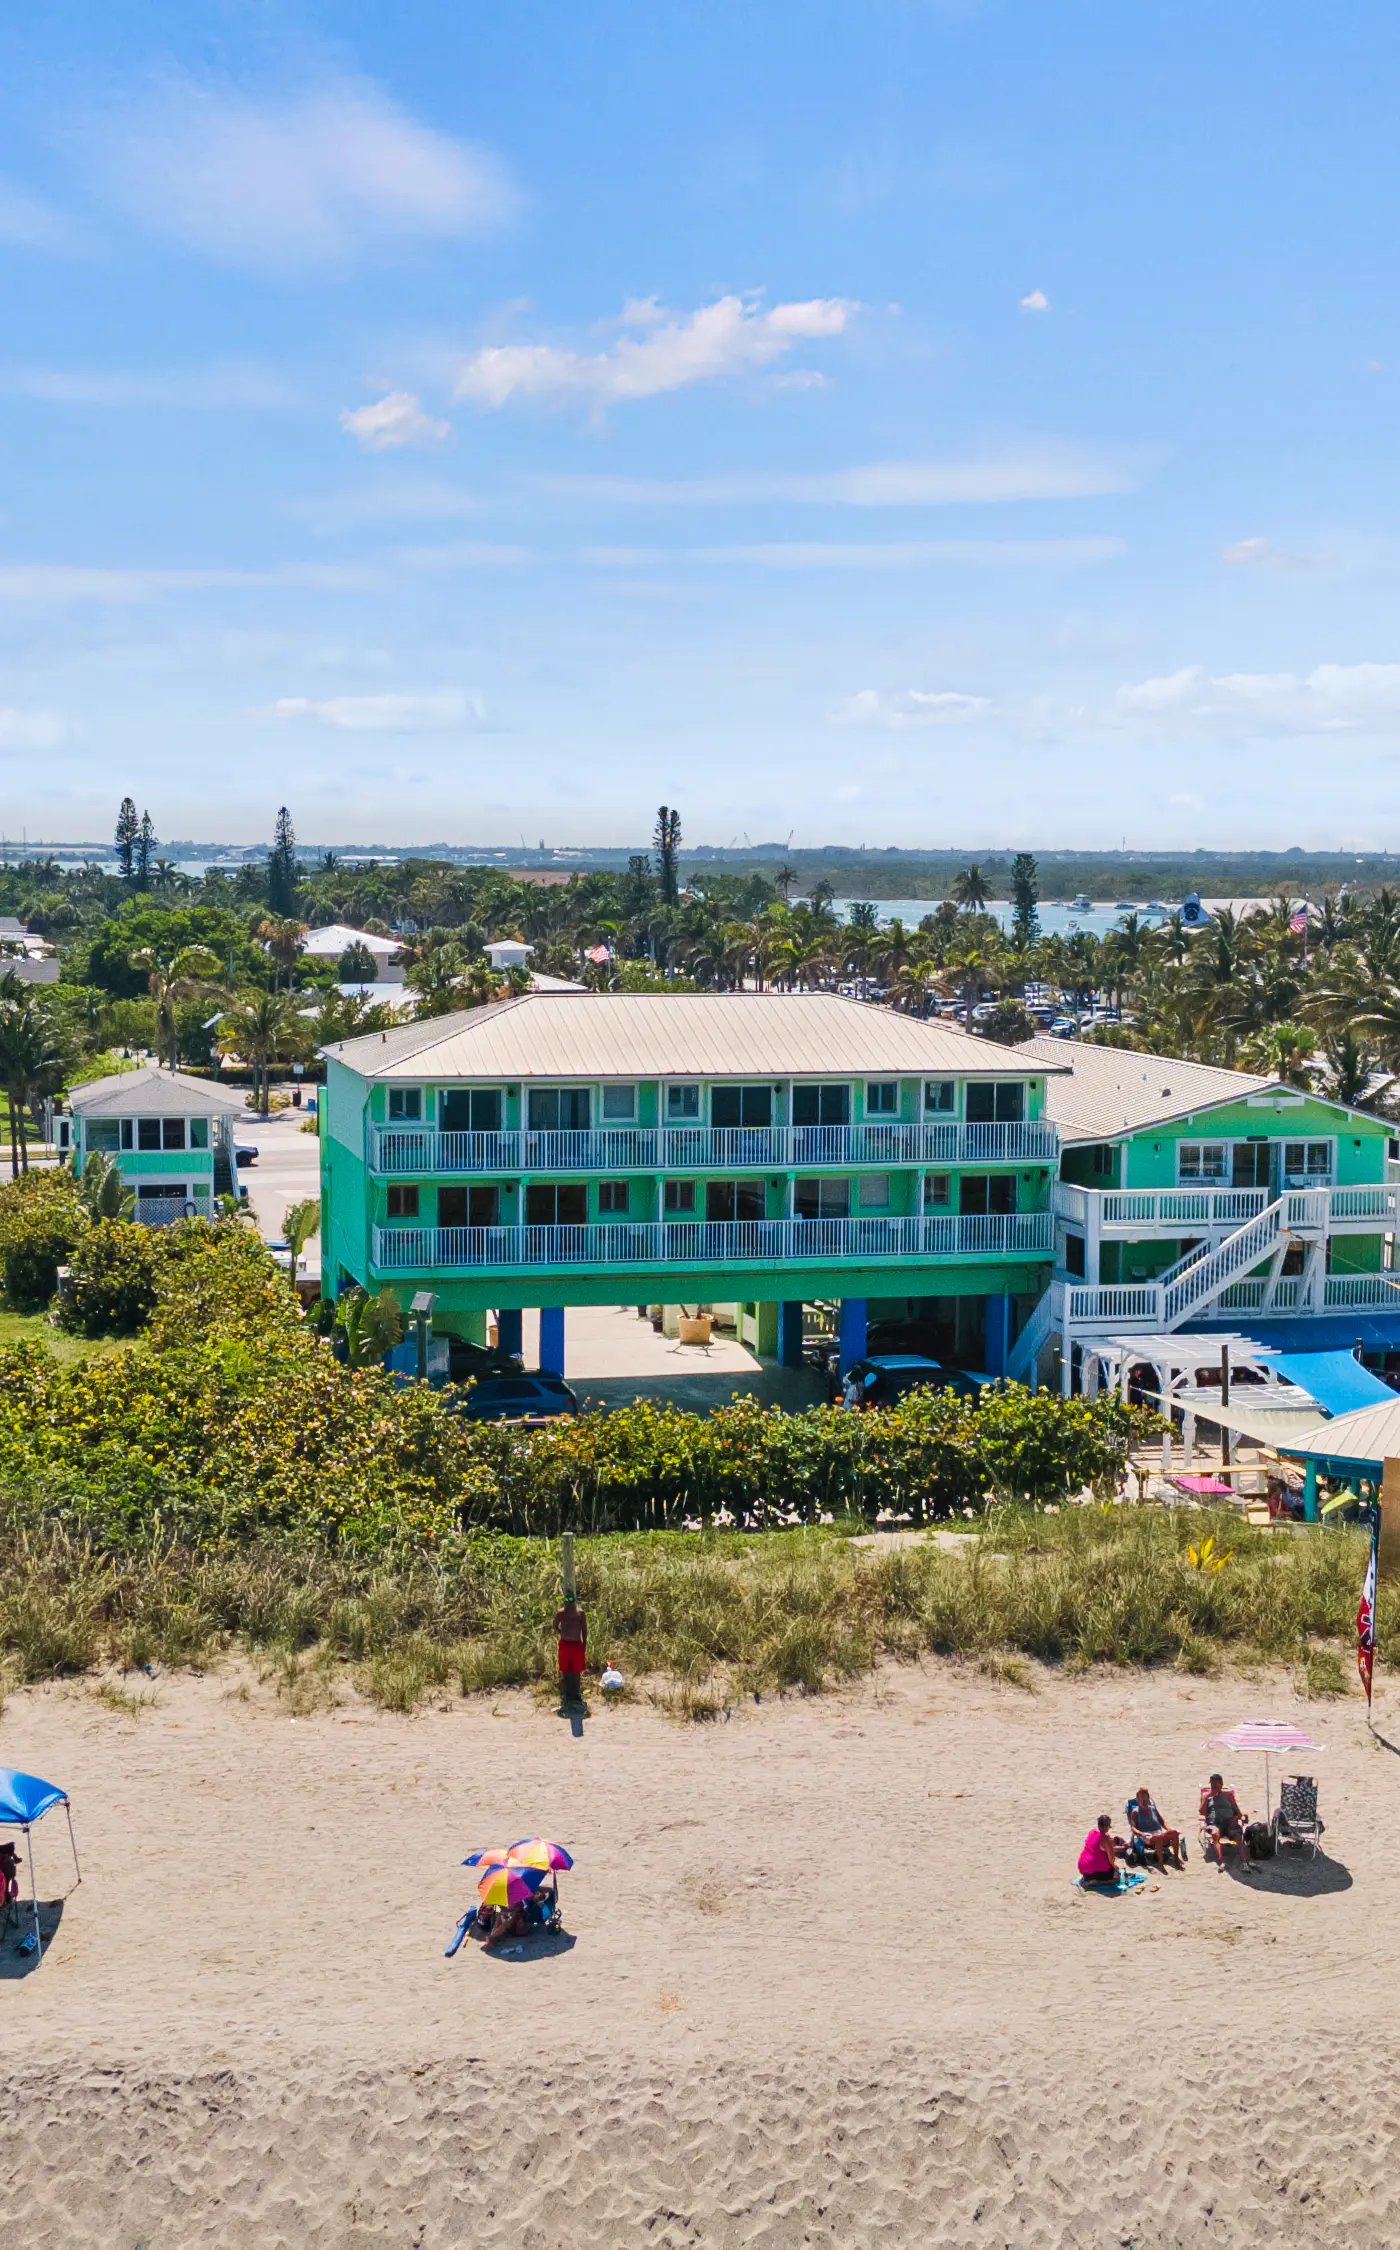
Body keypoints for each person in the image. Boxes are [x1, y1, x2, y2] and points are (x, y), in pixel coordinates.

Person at [1200, 1772, 1253, 1873]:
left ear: (1221, 1784)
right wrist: (1206, 1799)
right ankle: (1221, 1861)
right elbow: (1202, 1812)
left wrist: (1235, 1819)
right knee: (1215, 1834)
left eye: (1215, 1784)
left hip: (1230, 1824)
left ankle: (1244, 1863)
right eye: (1212, 1784)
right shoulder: (1206, 1796)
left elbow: (1238, 1813)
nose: (1213, 1786)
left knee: (1238, 1837)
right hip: (1214, 1824)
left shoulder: (1228, 1796)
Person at [1129, 1787, 1184, 1869]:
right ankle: (1160, 1863)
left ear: (1148, 1798)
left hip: (1159, 1834)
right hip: (1147, 1837)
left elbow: (1162, 1821)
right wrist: (1142, 1834)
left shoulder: (1153, 1809)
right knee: (1158, 1837)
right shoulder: (1135, 1812)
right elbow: (1133, 1828)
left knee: (1174, 1833)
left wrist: (1169, 1829)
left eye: (1145, 1798)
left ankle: (1176, 1858)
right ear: (1137, 1799)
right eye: (1141, 1798)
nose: (1143, 1800)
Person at [1077, 1812, 1127, 1888]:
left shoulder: (1092, 1832)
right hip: (1093, 1871)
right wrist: (1115, 1867)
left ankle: (1088, 1878)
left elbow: (1094, 1845)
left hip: (1083, 1867)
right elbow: (1112, 1858)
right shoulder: (1106, 1837)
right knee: (1117, 1877)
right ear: (1108, 1826)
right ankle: (1095, 1882)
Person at [555, 1594, 587, 1697]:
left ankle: (576, 1691)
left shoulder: (580, 1613)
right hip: (565, 1644)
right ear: (564, 1601)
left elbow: (584, 1629)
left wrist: (585, 1643)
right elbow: (554, 1625)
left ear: (575, 1600)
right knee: (565, 1669)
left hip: (576, 1644)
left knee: (576, 1669)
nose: (569, 1602)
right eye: (567, 1599)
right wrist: (561, 1632)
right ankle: (566, 1691)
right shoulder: (561, 1613)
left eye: (571, 1599)